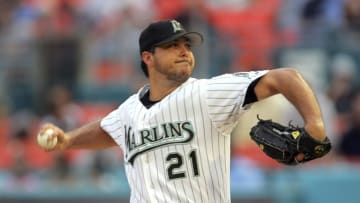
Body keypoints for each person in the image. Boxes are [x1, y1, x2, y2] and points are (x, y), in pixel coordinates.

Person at [38, 19, 328, 202]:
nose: (184, 51)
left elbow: (285, 77)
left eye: (185, 45)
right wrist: (68, 140)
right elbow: (106, 129)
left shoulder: (207, 93)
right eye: (172, 45)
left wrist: (315, 125)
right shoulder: (129, 110)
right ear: (148, 57)